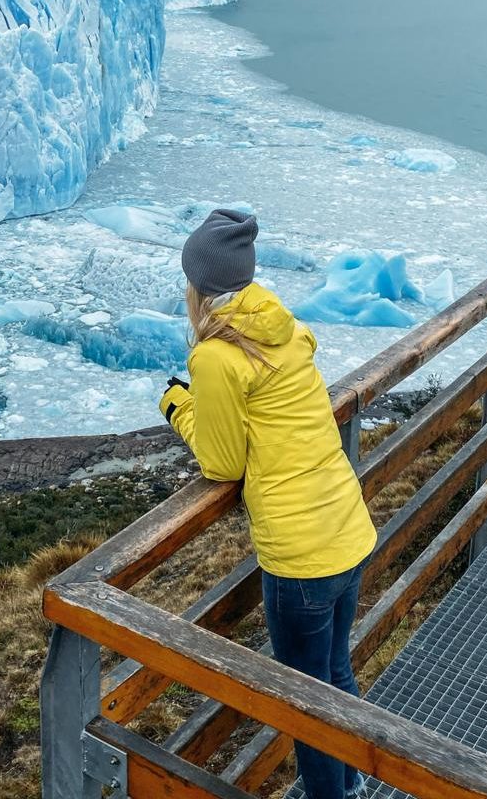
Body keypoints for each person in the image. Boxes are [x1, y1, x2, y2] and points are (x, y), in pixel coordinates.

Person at [159, 208, 377, 799]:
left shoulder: (216, 356)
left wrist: (180, 408)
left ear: (199, 284)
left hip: (301, 555)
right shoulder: (285, 328)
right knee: (333, 676)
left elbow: (223, 462)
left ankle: (334, 793)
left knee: (305, 704)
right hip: (348, 530)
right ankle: (350, 782)